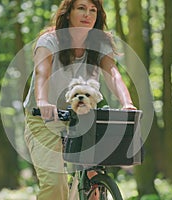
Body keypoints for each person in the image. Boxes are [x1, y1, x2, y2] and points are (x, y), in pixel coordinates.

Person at [23, 0, 136, 199]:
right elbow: (42, 72)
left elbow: (113, 74)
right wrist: (42, 102)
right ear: (68, 13)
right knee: (55, 184)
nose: (88, 14)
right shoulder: (49, 41)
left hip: (82, 117)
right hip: (45, 118)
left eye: (93, 10)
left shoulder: (99, 44)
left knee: (93, 178)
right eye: (81, 8)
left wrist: (127, 102)